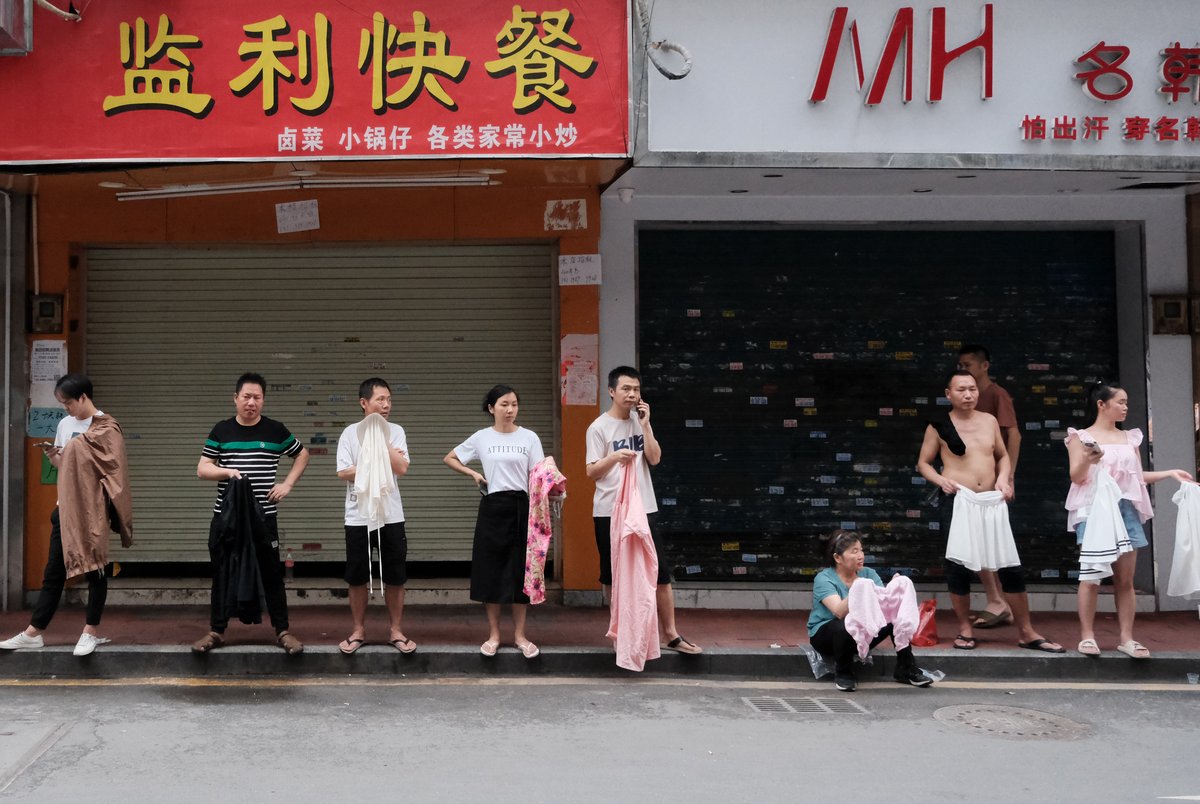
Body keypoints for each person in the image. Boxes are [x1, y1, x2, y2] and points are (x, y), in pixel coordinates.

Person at [917, 369, 1064, 653]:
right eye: (961, 389)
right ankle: (964, 629)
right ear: (949, 394)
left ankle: (1026, 631)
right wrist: (941, 480)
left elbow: (1003, 455)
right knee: (958, 567)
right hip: (959, 499)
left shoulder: (990, 421)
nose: (968, 394)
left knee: (1010, 566)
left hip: (991, 501)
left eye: (972, 389)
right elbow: (923, 463)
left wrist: (1004, 478)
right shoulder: (938, 426)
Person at [0, 374, 132, 657]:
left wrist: (74, 453)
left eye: (68, 402)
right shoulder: (65, 425)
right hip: (66, 508)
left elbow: (113, 470)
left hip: (93, 509)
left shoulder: (107, 427)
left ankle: (89, 632)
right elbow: (65, 466)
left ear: (83, 397)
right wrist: (53, 455)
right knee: (54, 572)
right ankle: (34, 632)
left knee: (95, 568)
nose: (65, 408)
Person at [1065, 381, 1193, 658]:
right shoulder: (1081, 436)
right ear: (1102, 404)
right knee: (1091, 576)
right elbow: (1077, 476)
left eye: (1126, 403)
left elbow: (1137, 477)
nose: (1125, 407)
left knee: (1125, 579)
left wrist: (1170, 473)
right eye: (1120, 402)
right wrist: (1090, 459)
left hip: (1125, 510)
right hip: (1095, 508)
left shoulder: (1129, 438)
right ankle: (1087, 636)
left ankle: (1127, 637)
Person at [586, 366, 702, 655]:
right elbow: (591, 472)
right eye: (626, 389)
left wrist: (647, 425)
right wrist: (613, 457)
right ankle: (622, 635)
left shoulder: (640, 423)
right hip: (609, 510)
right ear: (611, 391)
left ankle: (671, 634)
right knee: (614, 575)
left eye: (636, 389)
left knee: (659, 572)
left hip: (643, 508)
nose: (632, 394)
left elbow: (655, 458)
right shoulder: (598, 427)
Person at [193, 372, 309, 654]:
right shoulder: (221, 431)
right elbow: (202, 468)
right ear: (235, 398)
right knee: (222, 573)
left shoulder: (275, 431)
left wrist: (287, 484)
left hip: (264, 518)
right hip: (227, 519)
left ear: (263, 400)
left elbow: (301, 454)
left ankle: (283, 632)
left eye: (257, 397)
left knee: (271, 574)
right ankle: (216, 631)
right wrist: (227, 471)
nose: (251, 402)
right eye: (246, 396)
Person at [444, 384, 545, 658]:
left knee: (519, 573)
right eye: (504, 404)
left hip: (521, 507)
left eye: (514, 404)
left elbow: (539, 473)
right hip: (492, 507)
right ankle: (494, 635)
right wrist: (474, 474)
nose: (510, 409)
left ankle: (520, 636)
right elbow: (450, 458)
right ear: (491, 408)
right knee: (491, 570)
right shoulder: (481, 437)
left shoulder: (529, 437)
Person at [335, 378, 415, 655]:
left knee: (396, 575)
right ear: (364, 403)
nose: (386, 405)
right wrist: (371, 463)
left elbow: (402, 467)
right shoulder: (349, 433)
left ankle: (396, 630)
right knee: (357, 576)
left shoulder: (396, 431)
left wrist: (383, 442)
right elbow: (343, 472)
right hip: (357, 515)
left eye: (389, 400)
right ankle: (358, 630)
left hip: (391, 514)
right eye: (380, 399)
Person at [807, 530, 933, 691]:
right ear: (837, 558)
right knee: (843, 624)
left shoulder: (868, 574)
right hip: (827, 636)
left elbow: (883, 606)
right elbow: (838, 611)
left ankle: (906, 668)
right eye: (854, 551)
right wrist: (858, 587)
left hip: (860, 631)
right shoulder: (824, 578)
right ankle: (844, 673)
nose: (861, 555)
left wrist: (892, 590)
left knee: (894, 616)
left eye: (861, 550)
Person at [957, 344, 1019, 629]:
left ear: (985, 366)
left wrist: (1008, 476)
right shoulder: (968, 401)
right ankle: (996, 600)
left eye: (968, 364)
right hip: (972, 486)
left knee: (992, 545)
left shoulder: (996, 395)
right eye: (961, 365)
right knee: (977, 544)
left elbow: (1013, 436)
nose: (964, 369)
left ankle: (1000, 601)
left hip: (994, 484)